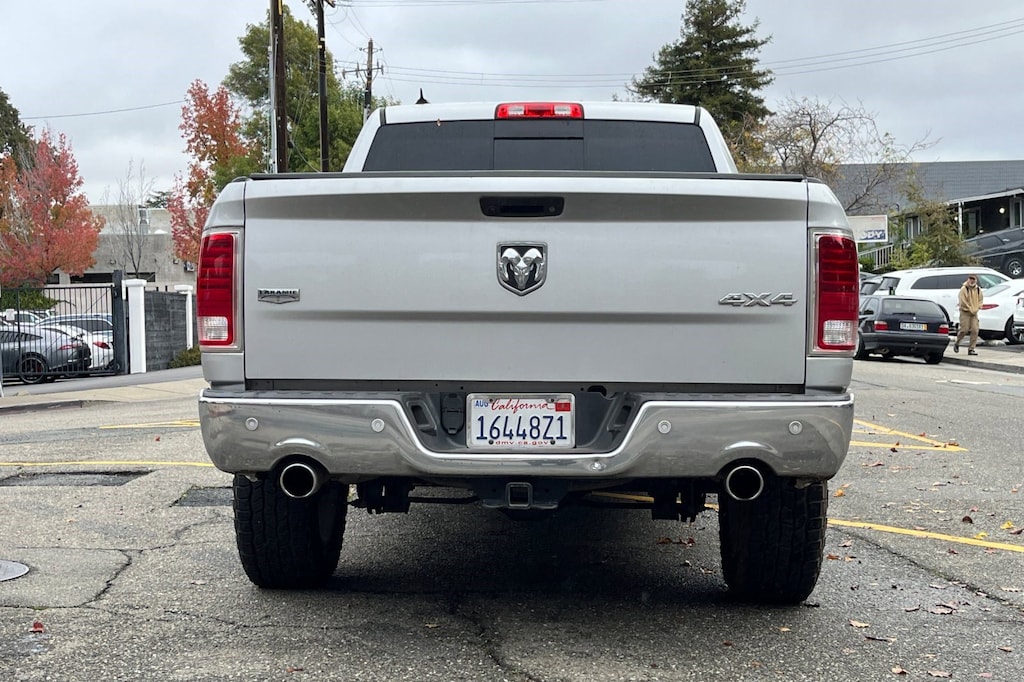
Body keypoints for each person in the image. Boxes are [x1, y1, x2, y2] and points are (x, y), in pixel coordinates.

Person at [953, 275, 983, 355]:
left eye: (973, 279)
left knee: (975, 330)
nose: (972, 281)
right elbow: (962, 301)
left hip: (974, 313)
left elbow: (980, 300)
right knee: (964, 330)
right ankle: (957, 343)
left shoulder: (978, 290)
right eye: (970, 279)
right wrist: (970, 308)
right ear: (968, 279)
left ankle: (971, 349)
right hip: (965, 312)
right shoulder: (964, 289)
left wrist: (978, 308)